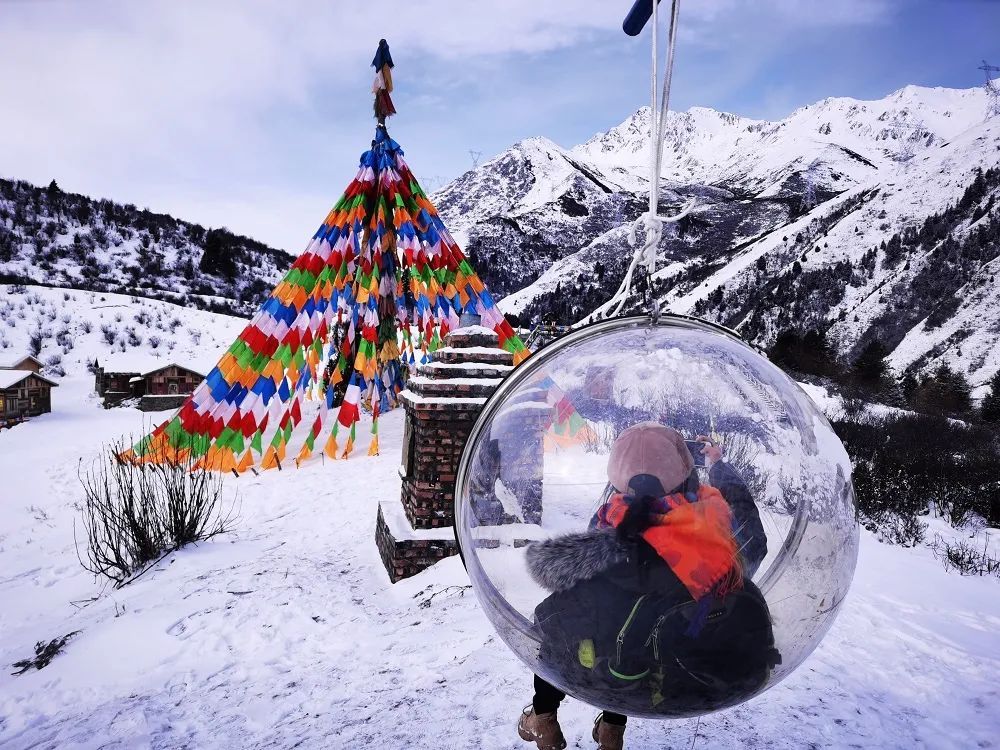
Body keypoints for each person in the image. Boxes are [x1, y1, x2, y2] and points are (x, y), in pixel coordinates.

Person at [517, 422, 771, 750]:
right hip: (669, 677)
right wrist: (719, 466)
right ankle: (612, 728)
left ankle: (544, 717)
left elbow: (555, 616)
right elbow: (753, 541)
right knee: (627, 627)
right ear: (685, 470)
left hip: (612, 676)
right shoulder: (715, 526)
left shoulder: (606, 539)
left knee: (563, 623)